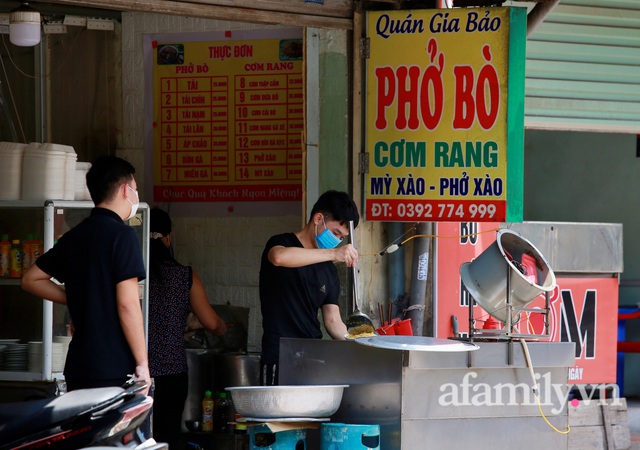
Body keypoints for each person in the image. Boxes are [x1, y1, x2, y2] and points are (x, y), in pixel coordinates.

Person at [21, 156, 150, 393]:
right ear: (125, 190)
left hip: (79, 366)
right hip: (114, 366)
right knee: (111, 431)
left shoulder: (74, 236)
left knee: (81, 431)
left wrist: (80, 298)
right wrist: (143, 364)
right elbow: (128, 305)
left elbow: (30, 279)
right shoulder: (123, 236)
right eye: (136, 189)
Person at [259, 190, 360, 385]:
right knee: (277, 415)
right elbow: (279, 258)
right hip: (278, 356)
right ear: (318, 218)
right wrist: (333, 254)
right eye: (335, 233)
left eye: (342, 238)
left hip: (312, 358)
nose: (337, 241)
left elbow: (332, 322)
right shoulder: (281, 243)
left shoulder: (329, 271)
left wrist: (363, 344)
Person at [147, 208, 227, 448]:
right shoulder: (184, 276)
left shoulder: (130, 274)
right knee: (166, 436)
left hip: (135, 372)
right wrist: (223, 329)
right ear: (168, 238)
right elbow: (212, 323)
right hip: (171, 373)